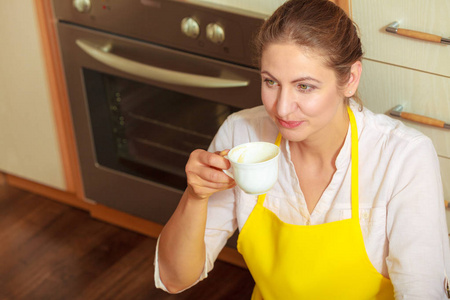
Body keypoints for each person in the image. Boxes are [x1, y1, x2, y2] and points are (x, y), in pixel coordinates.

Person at [154, 0, 450, 298]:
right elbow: (175, 279)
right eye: (271, 82)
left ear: (350, 79)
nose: (281, 108)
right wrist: (195, 197)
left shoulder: (403, 157)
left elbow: (421, 291)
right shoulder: (240, 135)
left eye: (304, 86)